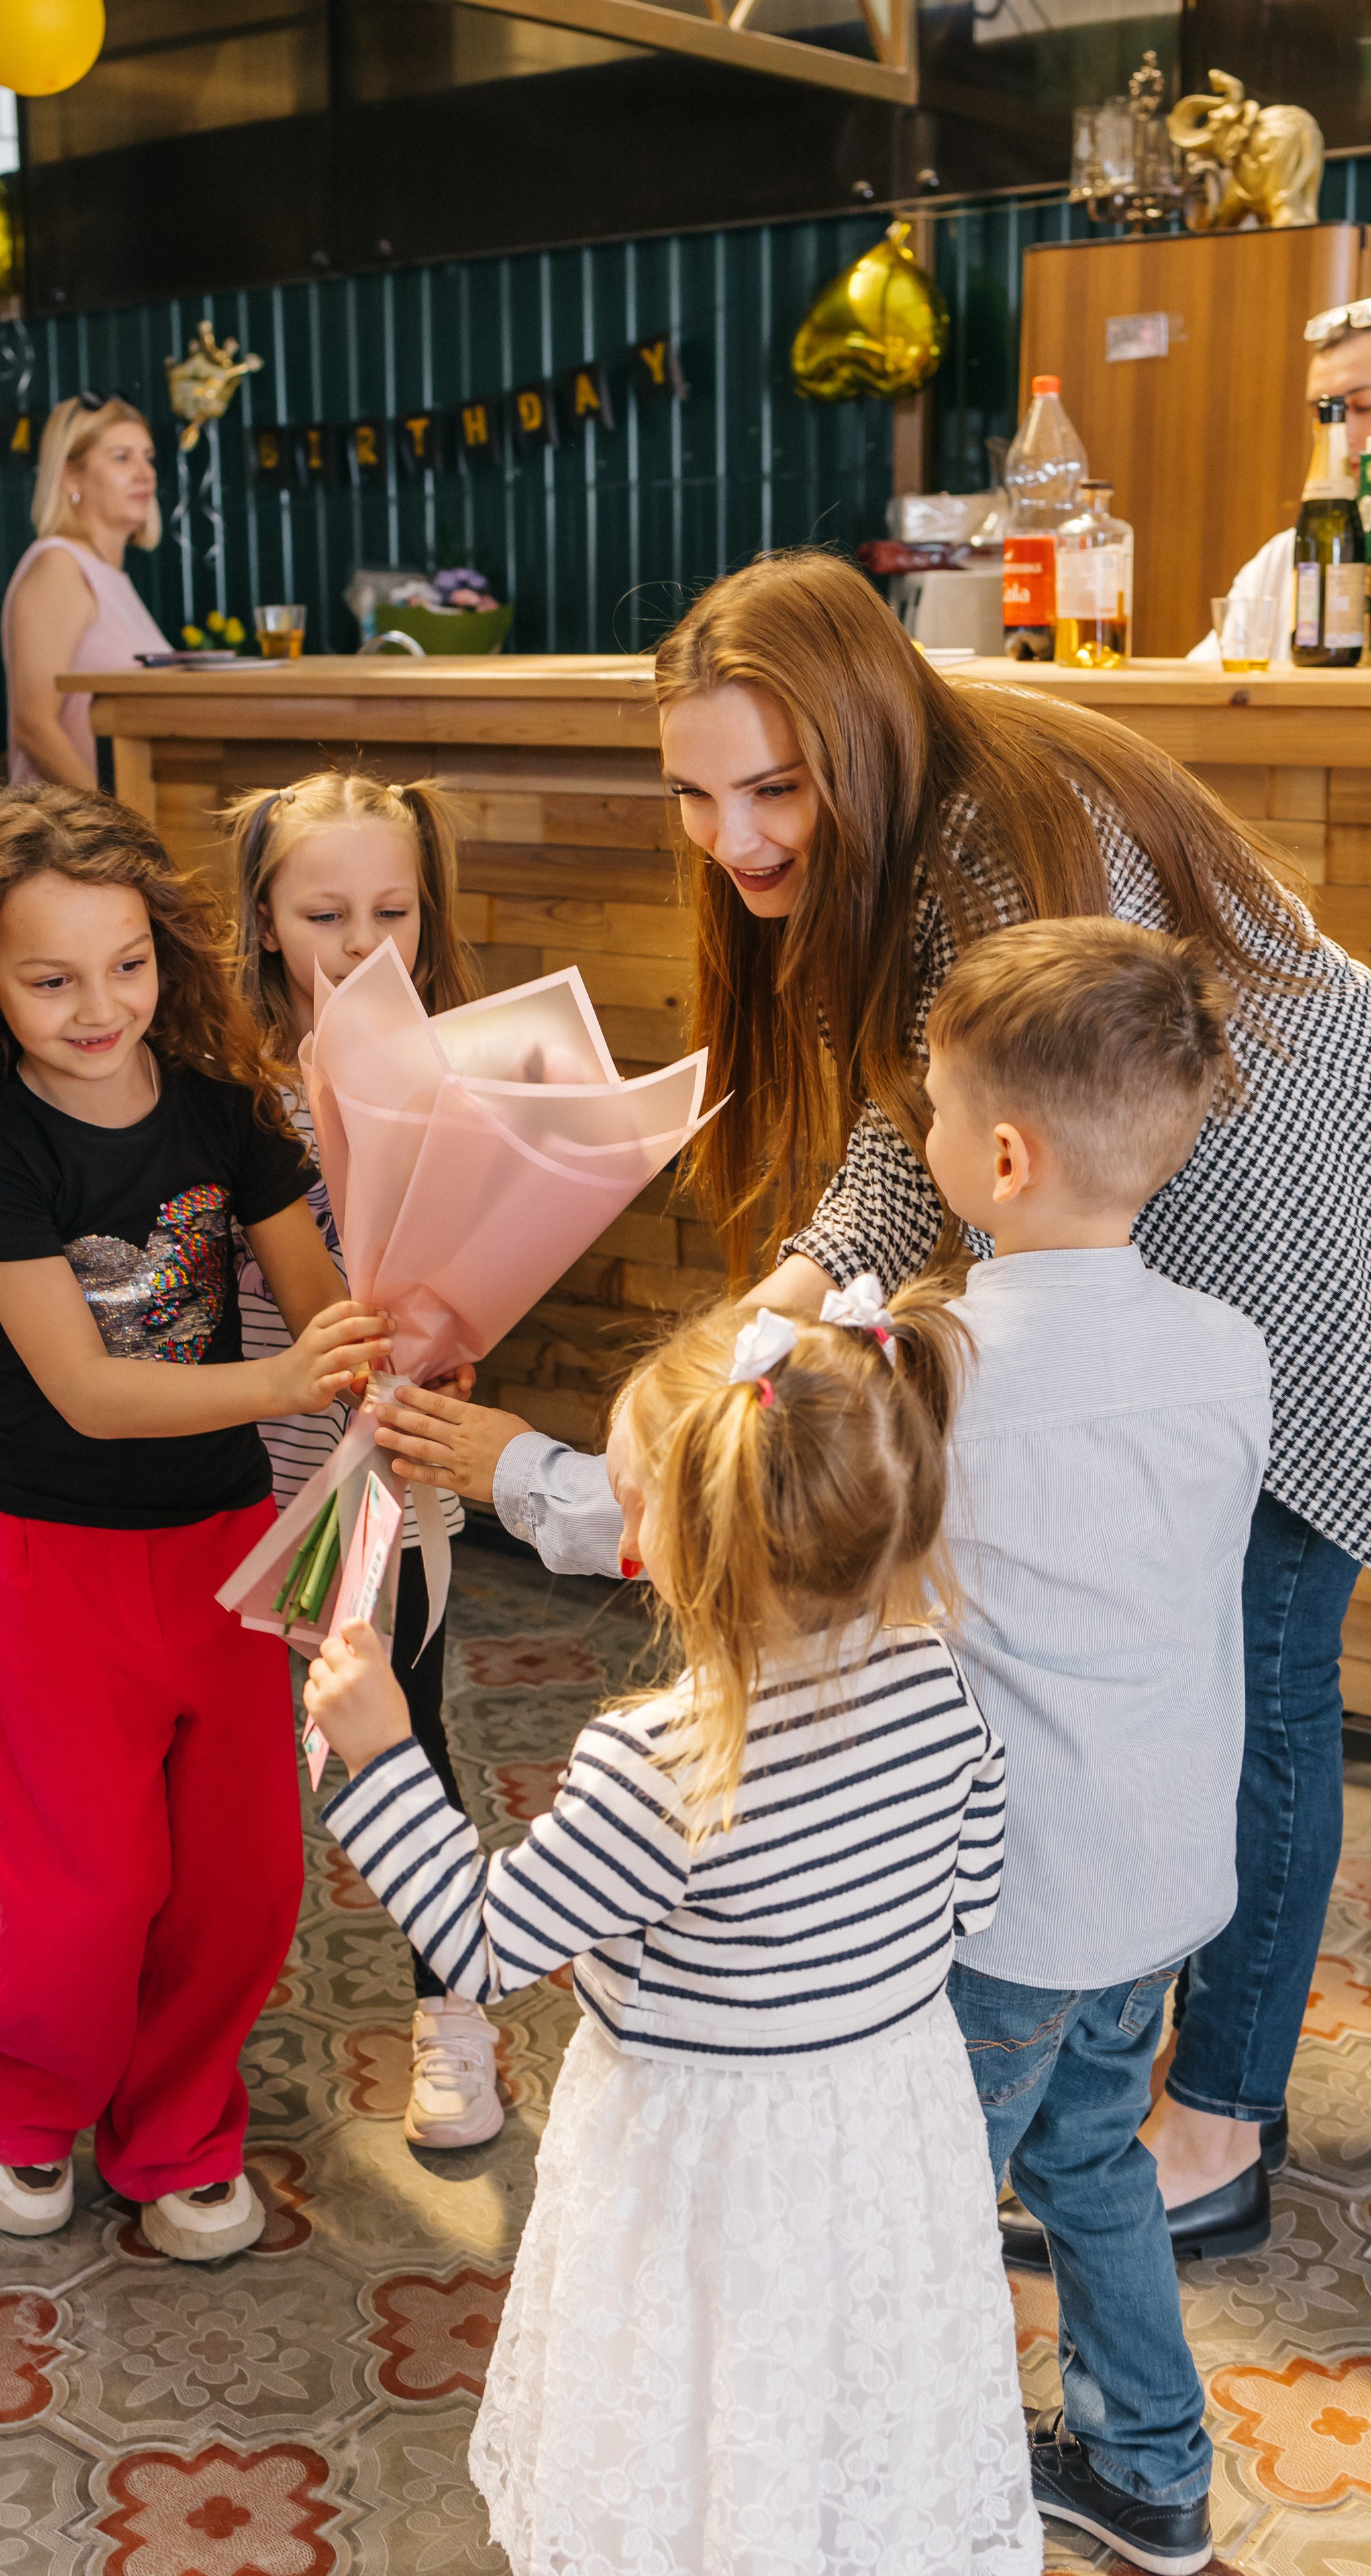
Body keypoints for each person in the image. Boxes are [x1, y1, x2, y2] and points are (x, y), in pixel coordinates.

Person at [372, 545, 1370, 2261]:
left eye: (771, 786)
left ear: (854, 732)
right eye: (692, 793)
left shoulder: (982, 840)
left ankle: (1218, 2117)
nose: (735, 836)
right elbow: (916, 1129)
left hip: (1295, 1223)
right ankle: (1123, 2030)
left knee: (1266, 1673)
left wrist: (744, 1328)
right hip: (1155, 1238)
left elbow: (935, 1149)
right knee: (1188, 1681)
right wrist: (769, 1303)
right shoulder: (911, 812)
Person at [305, 1291, 1039, 2576]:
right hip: (885, 2124)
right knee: (842, 2372)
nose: (619, 1521)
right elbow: (975, 1898)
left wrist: (380, 1760)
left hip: (703, 2154)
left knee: (704, 2372)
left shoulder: (665, 1764)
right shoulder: (943, 1681)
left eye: (631, 1500)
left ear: (692, 1555)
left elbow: (484, 1949)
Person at [0, 782, 391, 2261]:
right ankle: (14, 2098)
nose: (99, 1007)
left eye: (127, 965)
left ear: (165, 951)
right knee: (92, 1881)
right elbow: (88, 1393)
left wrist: (394, 1327)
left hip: (223, 1550)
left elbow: (317, 1299)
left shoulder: (226, 1112)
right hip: (54, 1561)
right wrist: (289, 1375)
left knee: (238, 1878)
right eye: (50, 979)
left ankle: (175, 2126)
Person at [924, 919, 1269, 2576]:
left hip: (1004, 1901)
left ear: (1001, 1153)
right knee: (1089, 2158)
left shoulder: (940, 1363)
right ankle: (1149, 2467)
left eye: (925, 1110)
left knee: (926, 2192)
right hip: (1154, 1878)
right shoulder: (1224, 1348)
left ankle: (900, 2468)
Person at [224, 768, 503, 2147]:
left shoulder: (455, 1065)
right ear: (262, 917)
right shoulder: (217, 1078)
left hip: (386, 1464)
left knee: (404, 1725)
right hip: (231, 1460)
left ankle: (452, 2014)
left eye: (390, 909)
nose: (356, 942)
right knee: (218, 1761)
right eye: (321, 911)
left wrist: (455, 1335)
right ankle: (190, 2032)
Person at [1186, 298, 1371, 663]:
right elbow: (1201, 698)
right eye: (1324, 414)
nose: (1339, 433)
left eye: (1364, 406)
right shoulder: (1287, 557)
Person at [1, 396, 168, 792]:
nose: (145, 473)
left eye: (148, 457)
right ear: (70, 477)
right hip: (70, 841)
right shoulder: (59, 566)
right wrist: (117, 825)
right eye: (122, 458)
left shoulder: (109, 575)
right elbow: (33, 727)